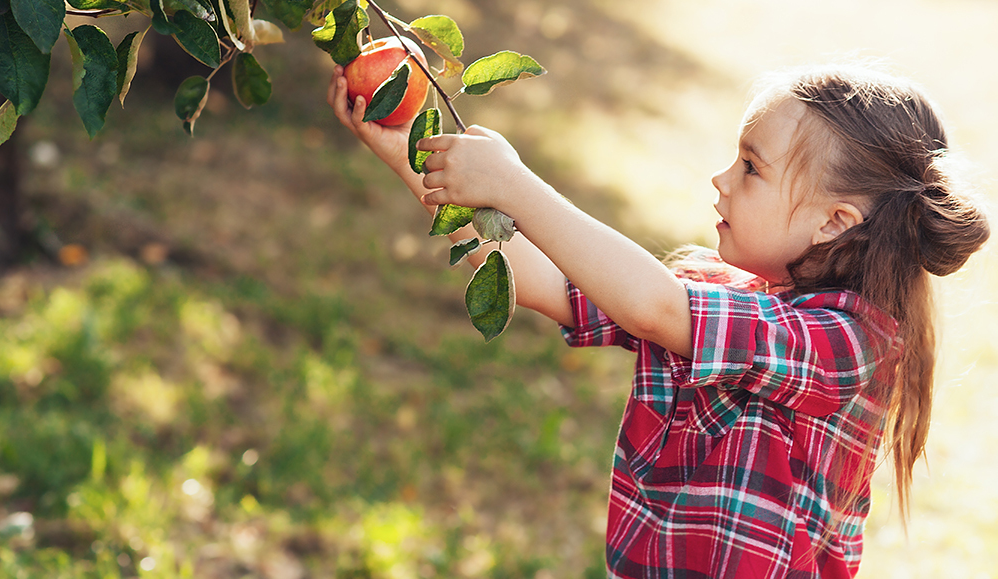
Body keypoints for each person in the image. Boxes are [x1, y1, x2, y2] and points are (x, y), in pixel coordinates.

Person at [328, 61, 990, 578]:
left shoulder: (848, 343)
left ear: (833, 221)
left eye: (752, 167)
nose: (721, 178)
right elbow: (539, 279)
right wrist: (411, 153)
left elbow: (654, 304)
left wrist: (517, 185)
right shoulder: (719, 294)